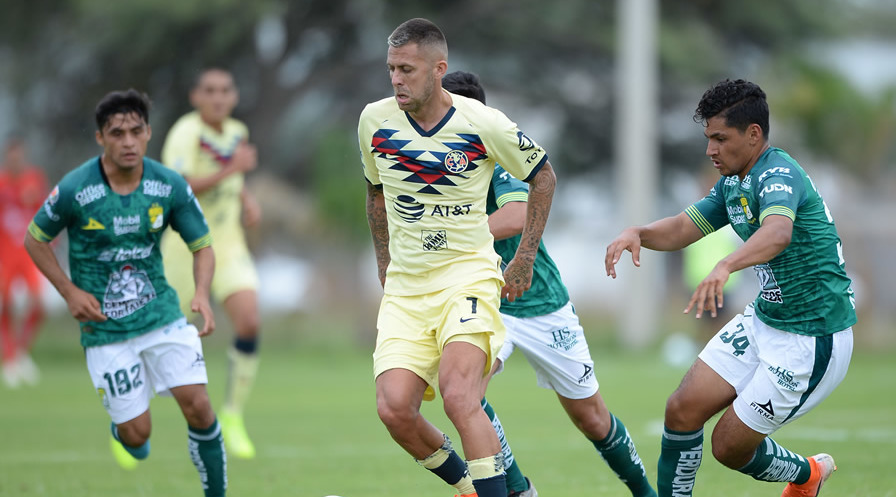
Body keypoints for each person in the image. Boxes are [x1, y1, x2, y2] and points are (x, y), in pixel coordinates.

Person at [605, 79, 856, 497]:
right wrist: (638, 232)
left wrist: (726, 264)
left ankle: (806, 475)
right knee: (681, 409)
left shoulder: (778, 174)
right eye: (708, 139)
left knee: (728, 447)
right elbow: (684, 227)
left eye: (720, 138)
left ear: (753, 134)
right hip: (765, 320)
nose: (711, 150)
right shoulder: (733, 183)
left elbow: (778, 233)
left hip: (812, 338)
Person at [359, 18, 557, 497]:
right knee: (394, 410)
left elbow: (543, 176)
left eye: (407, 69)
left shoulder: (482, 123)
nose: (396, 79)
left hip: (466, 279)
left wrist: (524, 256)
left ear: (438, 69)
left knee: (460, 396)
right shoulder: (374, 120)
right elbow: (375, 192)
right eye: (391, 69)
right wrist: (383, 261)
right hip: (407, 288)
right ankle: (474, 487)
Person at [442, 70, 657, 497]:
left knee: (592, 418)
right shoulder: (436, 168)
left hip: (539, 301)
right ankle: (520, 489)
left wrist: (455, 235)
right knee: (463, 393)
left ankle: (647, 494)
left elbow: (516, 216)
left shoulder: (495, 160)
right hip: (483, 301)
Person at [24, 89, 227, 496]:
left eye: (136, 131)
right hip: (104, 330)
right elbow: (34, 239)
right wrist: (69, 292)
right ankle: (125, 434)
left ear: (149, 133)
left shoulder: (168, 185)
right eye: (117, 133)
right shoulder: (75, 189)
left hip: (161, 315)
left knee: (200, 405)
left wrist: (202, 293)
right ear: (101, 138)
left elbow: (202, 245)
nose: (128, 141)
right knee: (138, 435)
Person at [159, 67, 262, 459]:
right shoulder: (186, 132)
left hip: (229, 244)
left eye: (225, 90)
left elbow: (231, 182)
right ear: (195, 96)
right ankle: (128, 417)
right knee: (160, 334)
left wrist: (246, 197)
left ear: (233, 96)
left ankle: (233, 414)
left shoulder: (237, 131)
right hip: (185, 248)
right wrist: (232, 170)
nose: (218, 97)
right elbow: (178, 187)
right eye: (210, 91)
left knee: (249, 320)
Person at [0, 134, 48, 387]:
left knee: (39, 305)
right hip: (6, 253)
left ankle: (19, 352)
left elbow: (45, 213)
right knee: (6, 304)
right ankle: (9, 359)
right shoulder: (1, 183)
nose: (16, 160)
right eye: (12, 156)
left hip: (29, 252)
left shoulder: (34, 179)